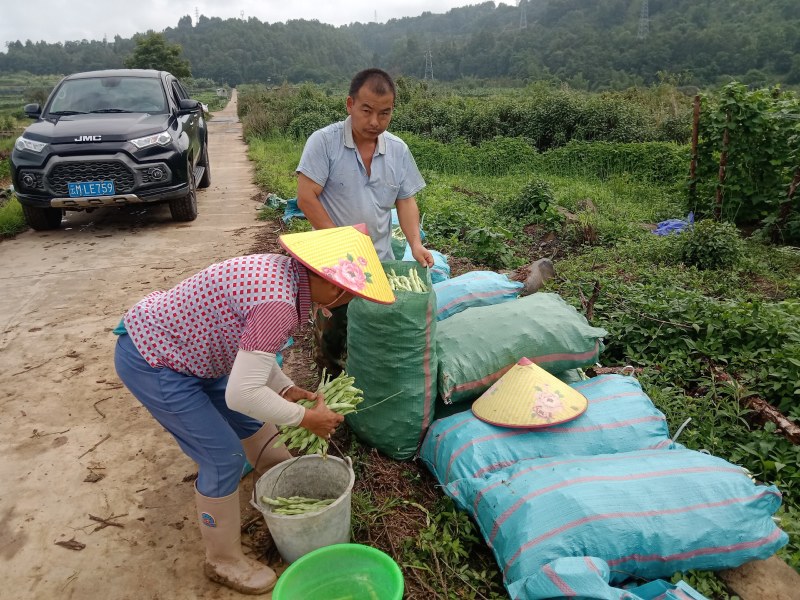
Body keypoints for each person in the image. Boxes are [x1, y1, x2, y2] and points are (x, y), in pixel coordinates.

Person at [113, 225, 394, 595]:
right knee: (223, 458)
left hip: (201, 355)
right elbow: (241, 393)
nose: (346, 303)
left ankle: (274, 486)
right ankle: (222, 560)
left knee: (258, 433)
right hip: (157, 359)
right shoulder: (278, 305)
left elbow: (253, 351)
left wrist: (286, 388)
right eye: (351, 296)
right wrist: (307, 419)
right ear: (335, 288)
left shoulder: (284, 276)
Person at [296, 67, 433, 374]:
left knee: (373, 333)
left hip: (379, 263)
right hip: (334, 267)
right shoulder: (324, 143)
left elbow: (406, 199)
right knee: (333, 338)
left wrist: (415, 244)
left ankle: (367, 392)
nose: (375, 122)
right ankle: (329, 392)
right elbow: (306, 197)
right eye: (367, 111)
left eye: (384, 114)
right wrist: (343, 244)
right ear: (350, 105)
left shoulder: (397, 150)